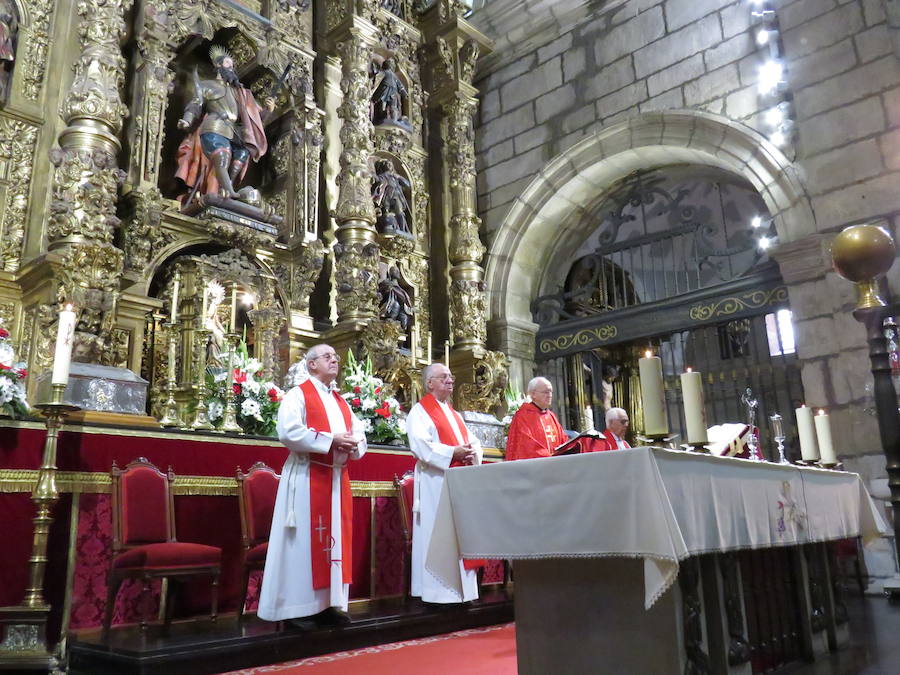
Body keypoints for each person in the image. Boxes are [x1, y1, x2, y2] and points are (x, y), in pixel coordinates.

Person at [258, 344, 366, 625]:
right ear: (311, 364)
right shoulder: (298, 395)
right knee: (303, 543)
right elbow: (289, 431)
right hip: (308, 477)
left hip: (335, 479)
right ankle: (297, 608)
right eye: (327, 356)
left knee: (334, 545)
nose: (334, 359)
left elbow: (358, 432)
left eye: (335, 356)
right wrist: (331, 440)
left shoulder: (341, 401)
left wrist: (354, 444)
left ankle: (329, 605)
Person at [406, 363, 483, 603]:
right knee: (437, 535)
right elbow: (421, 445)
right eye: (444, 377)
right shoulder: (419, 412)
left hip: (457, 482)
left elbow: (473, 442)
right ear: (430, 383)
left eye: (451, 376)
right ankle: (438, 594)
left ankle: (462, 592)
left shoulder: (455, 414)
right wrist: (453, 453)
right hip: (435, 483)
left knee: (460, 535)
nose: (451, 380)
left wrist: (471, 453)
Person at [176, 46, 275, 205]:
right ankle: (230, 192)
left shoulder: (240, 93)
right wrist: (187, 119)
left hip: (233, 131)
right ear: (218, 66)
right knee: (223, 155)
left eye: (232, 65)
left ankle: (226, 187)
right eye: (228, 63)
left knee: (243, 153)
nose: (232, 67)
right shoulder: (207, 85)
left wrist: (267, 111)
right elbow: (196, 104)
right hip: (215, 125)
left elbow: (251, 117)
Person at [505, 377, 566, 460]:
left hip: (556, 465)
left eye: (551, 392)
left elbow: (564, 442)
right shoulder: (523, 416)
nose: (550, 395)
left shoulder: (551, 416)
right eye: (546, 392)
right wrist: (550, 458)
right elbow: (526, 445)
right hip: (537, 467)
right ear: (533, 394)